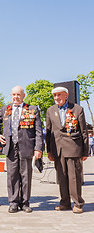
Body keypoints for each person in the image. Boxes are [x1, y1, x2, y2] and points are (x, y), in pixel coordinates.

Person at [0, 86, 43, 213]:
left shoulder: (32, 109)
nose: (16, 97)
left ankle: (25, 202)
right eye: (13, 94)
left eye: (18, 95)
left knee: (26, 176)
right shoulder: (5, 109)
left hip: (27, 147)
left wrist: (38, 148)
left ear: (23, 95)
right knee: (12, 176)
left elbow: (38, 131)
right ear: (11, 95)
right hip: (10, 148)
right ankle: (13, 202)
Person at [46, 86, 88, 214]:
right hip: (57, 149)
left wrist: (85, 151)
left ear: (66, 95)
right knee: (62, 177)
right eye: (55, 95)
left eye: (59, 95)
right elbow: (48, 133)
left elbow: (83, 131)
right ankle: (64, 202)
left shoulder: (77, 109)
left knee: (74, 178)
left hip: (73, 148)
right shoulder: (50, 110)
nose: (56, 98)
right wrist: (49, 151)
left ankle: (78, 203)